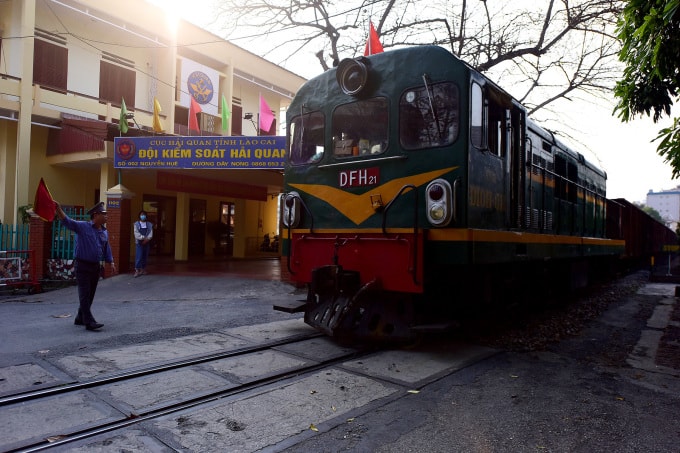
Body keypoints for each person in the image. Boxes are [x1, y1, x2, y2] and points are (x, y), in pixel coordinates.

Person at [55, 201, 115, 331]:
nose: (106, 216)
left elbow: (106, 247)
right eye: (104, 214)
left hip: (95, 266)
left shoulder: (104, 232)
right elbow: (67, 221)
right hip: (82, 265)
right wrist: (59, 209)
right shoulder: (83, 227)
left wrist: (110, 261)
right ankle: (89, 322)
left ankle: (80, 317)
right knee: (84, 293)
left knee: (90, 294)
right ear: (95, 215)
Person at [133, 210, 153, 277]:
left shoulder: (149, 224)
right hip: (139, 242)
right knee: (139, 256)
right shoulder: (136, 224)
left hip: (146, 242)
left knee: (145, 256)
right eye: (141, 215)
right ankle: (137, 270)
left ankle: (143, 269)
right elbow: (136, 233)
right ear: (139, 216)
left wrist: (147, 239)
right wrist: (143, 238)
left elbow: (150, 233)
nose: (143, 216)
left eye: (144, 215)